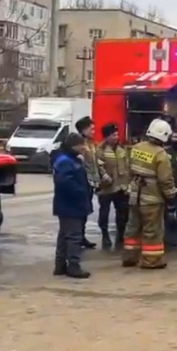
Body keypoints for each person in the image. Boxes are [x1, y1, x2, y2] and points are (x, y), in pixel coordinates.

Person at [122, 118, 177, 270]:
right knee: (152, 230)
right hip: (152, 199)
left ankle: (129, 257)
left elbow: (128, 169)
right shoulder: (161, 154)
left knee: (133, 227)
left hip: (134, 196)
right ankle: (151, 261)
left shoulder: (136, 148)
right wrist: (171, 197)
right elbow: (165, 180)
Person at [51, 133, 92, 279]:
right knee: (74, 236)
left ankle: (60, 266)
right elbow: (65, 182)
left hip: (67, 204)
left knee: (64, 235)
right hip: (71, 204)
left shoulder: (70, 159)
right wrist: (81, 192)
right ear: (74, 145)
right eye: (82, 145)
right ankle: (73, 267)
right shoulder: (66, 161)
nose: (84, 147)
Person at [96, 122, 130, 249]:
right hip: (106, 188)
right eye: (113, 135)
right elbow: (99, 168)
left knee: (122, 213)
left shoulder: (122, 149)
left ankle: (120, 235)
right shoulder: (100, 150)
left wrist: (128, 184)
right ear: (107, 137)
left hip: (121, 188)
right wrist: (106, 179)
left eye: (117, 134)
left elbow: (127, 167)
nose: (116, 137)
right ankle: (105, 235)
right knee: (104, 213)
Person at [75, 116, 100, 249]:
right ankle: (77, 237)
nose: (93, 131)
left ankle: (81, 236)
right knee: (80, 211)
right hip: (82, 182)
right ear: (83, 129)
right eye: (91, 129)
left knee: (85, 211)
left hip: (90, 183)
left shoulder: (90, 143)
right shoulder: (79, 144)